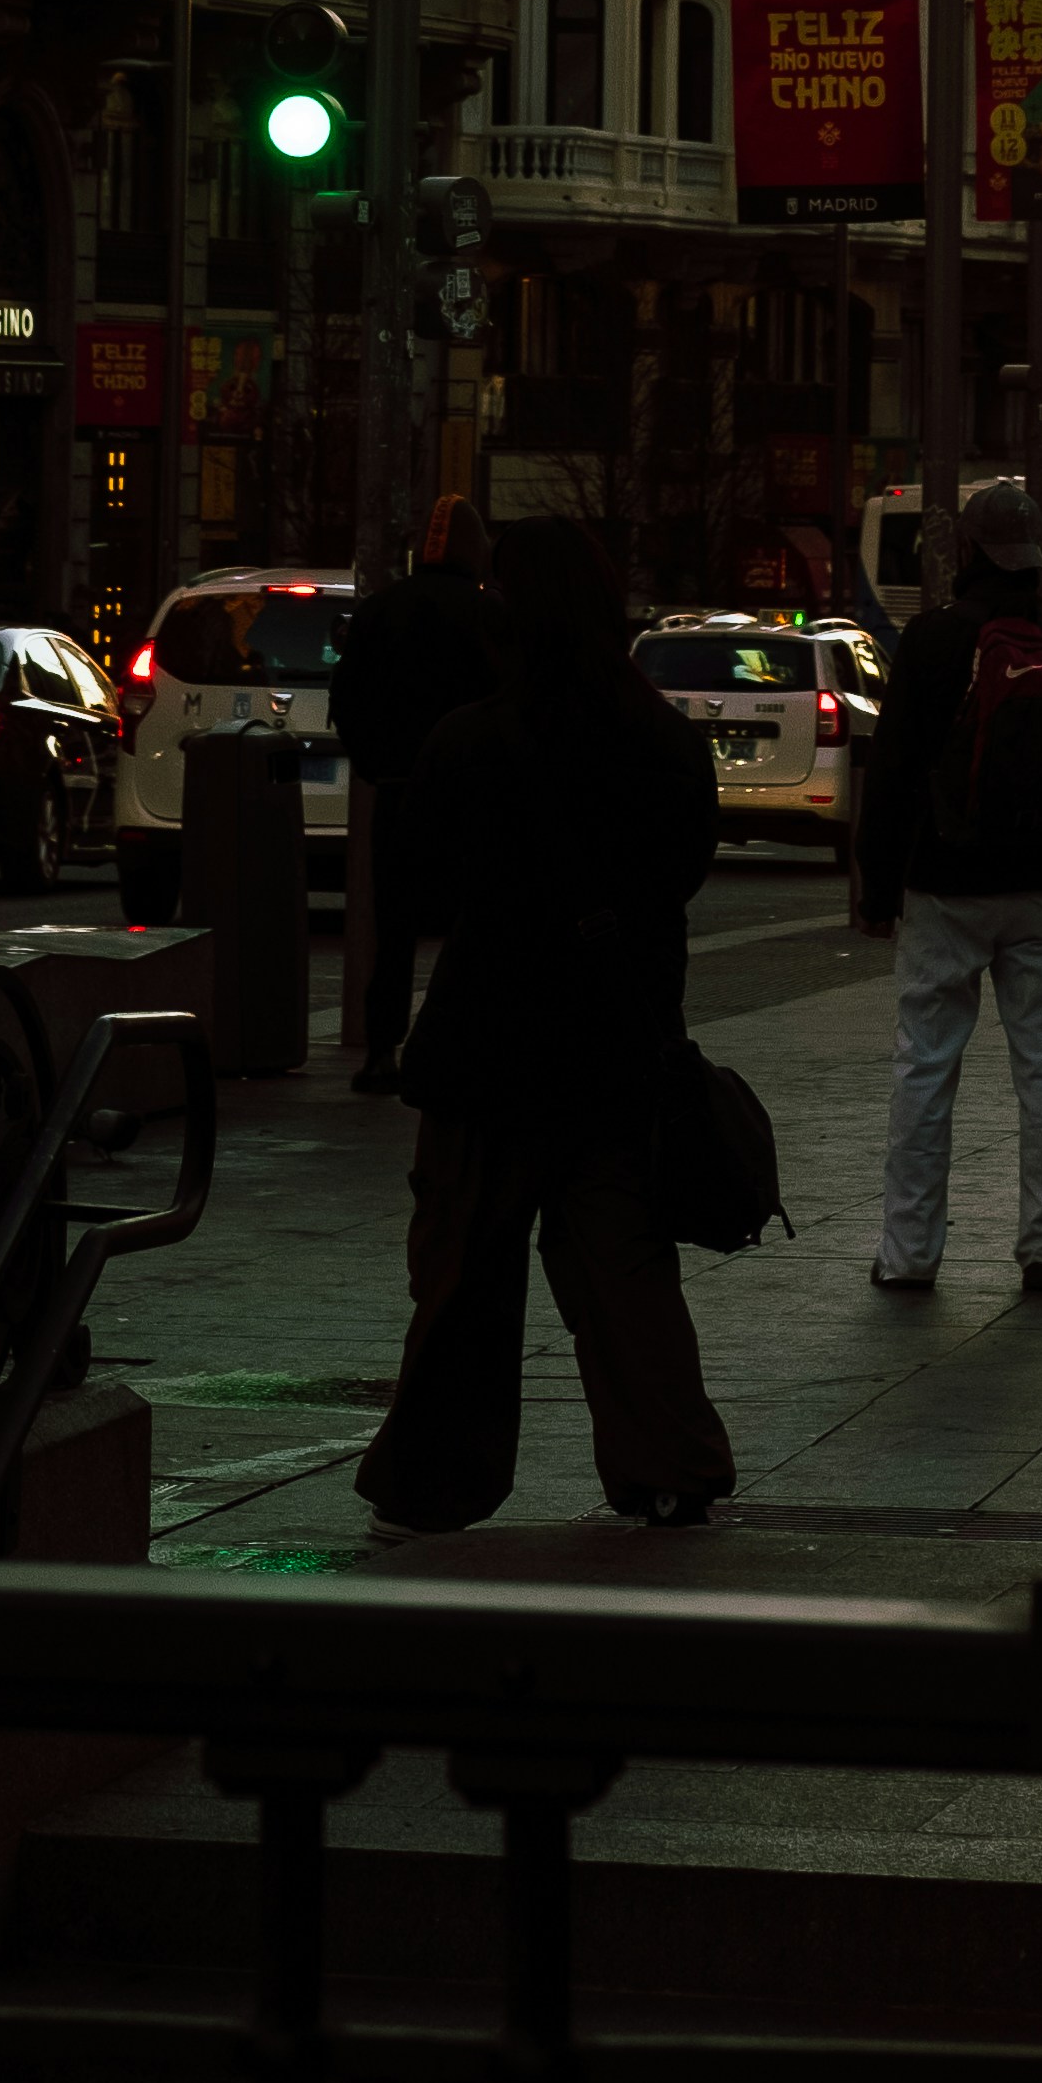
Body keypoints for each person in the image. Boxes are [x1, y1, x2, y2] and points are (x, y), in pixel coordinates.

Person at [352, 519, 737, 1538]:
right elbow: (682, 873)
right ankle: (671, 1467)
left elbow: (420, 885)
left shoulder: (471, 739)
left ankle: (434, 1481)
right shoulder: (664, 741)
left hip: (487, 1047)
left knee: (461, 1277)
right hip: (618, 1046)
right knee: (624, 1272)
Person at [850, 482, 1042, 1301]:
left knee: (924, 1068)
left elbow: (896, 773)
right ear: (1037, 556)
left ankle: (909, 1256)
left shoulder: (935, 640)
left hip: (945, 889)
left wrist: (878, 890)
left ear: (968, 551)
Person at [328, 492, 505, 1093]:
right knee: (474, 926)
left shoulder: (381, 611)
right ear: (475, 552)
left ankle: (382, 1050)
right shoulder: (487, 617)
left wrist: (375, 766)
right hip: (474, 799)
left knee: (393, 931)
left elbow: (345, 701)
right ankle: (468, 1045)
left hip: (398, 793)